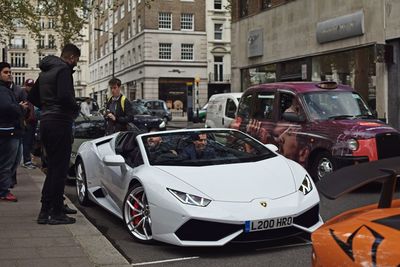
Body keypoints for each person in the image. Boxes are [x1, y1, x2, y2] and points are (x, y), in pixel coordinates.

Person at [28, 44, 81, 225]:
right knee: (59, 169)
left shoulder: (44, 73)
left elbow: (32, 97)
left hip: (47, 122)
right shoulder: (64, 70)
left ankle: (45, 210)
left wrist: (46, 107)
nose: (75, 64)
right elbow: (66, 97)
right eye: (76, 60)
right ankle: (56, 213)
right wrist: (76, 107)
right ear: (72, 58)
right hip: (60, 121)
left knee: (52, 168)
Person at [0, 62, 28, 202]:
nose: (9, 74)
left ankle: (4, 189)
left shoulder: (7, 89)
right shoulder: (2, 90)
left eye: (10, 71)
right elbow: (6, 108)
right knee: (7, 163)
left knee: (14, 161)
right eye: (5, 72)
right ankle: (3, 191)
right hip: (7, 132)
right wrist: (20, 107)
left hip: (13, 131)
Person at [21, 78, 38, 169]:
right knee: (26, 142)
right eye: (29, 86)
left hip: (33, 121)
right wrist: (23, 120)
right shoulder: (22, 94)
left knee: (31, 142)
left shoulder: (33, 95)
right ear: (25, 85)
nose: (30, 88)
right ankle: (26, 161)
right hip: (27, 121)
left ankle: (28, 160)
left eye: (32, 86)